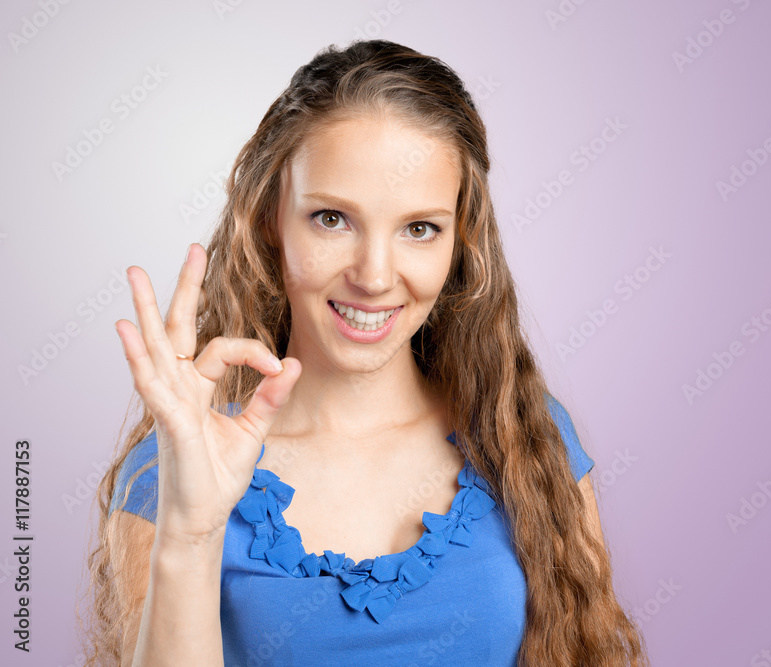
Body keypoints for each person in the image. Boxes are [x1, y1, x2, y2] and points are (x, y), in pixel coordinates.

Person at [82, 39, 648, 666]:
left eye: (419, 228)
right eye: (332, 219)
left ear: (459, 243)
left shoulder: (527, 438)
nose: (375, 276)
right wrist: (190, 529)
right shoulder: (175, 464)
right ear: (271, 219)